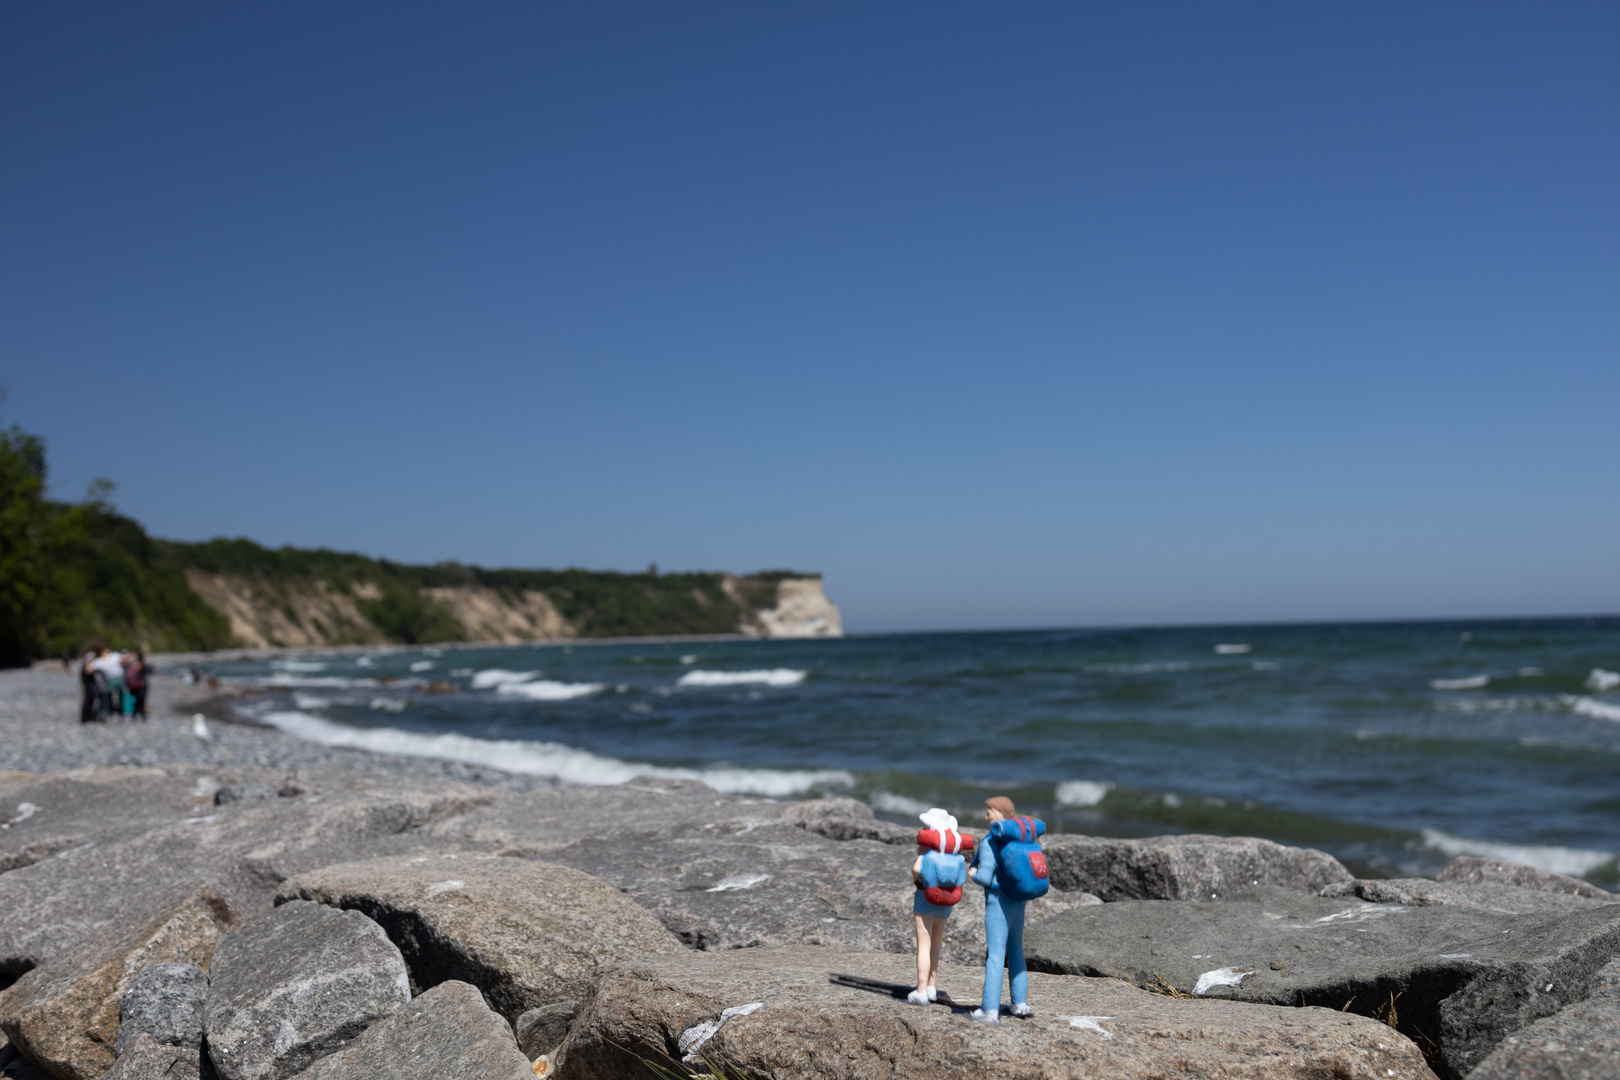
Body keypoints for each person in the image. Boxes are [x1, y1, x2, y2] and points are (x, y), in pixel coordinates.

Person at [967, 796, 1034, 1023]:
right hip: (1018, 901)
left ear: (1002, 813)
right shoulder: (1019, 840)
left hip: (998, 903)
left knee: (995, 955)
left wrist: (973, 874)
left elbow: (985, 876)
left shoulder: (990, 842)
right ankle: (1019, 1003)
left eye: (990, 811)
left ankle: (989, 1010)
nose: (986, 816)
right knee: (1016, 950)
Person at [906, 808, 972, 1006]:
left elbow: (917, 869)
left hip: (925, 899)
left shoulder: (927, 848)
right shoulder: (951, 849)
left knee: (924, 946)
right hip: (946, 901)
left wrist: (915, 877)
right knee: (936, 944)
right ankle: (932, 986)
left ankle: (921, 990)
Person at [92, 645, 125, 719]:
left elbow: (125, 659)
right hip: (110, 679)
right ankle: (109, 712)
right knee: (107, 696)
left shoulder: (114, 656)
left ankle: (121, 712)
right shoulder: (98, 661)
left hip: (119, 678)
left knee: (122, 695)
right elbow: (90, 669)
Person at [125, 650, 151, 720]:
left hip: (133, 686)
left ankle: (135, 715)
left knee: (135, 701)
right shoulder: (142, 664)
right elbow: (150, 671)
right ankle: (142, 716)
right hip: (142, 685)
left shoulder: (131, 663)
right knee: (141, 701)